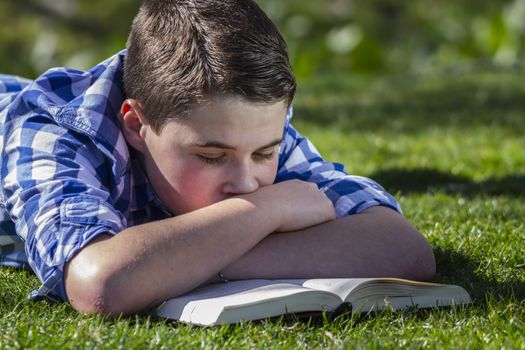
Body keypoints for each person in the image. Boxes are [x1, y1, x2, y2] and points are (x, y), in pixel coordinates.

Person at [0, 0, 435, 316]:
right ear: (136, 125)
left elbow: (403, 250)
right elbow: (100, 283)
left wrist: (175, 261)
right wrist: (269, 209)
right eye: (211, 157)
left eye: (266, 153)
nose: (246, 184)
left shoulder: (238, 125)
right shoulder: (57, 128)